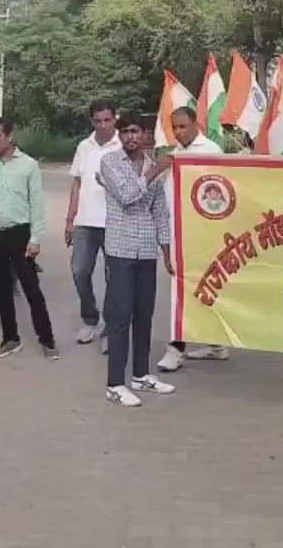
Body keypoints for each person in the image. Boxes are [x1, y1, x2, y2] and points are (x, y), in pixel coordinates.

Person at [98, 115, 176, 406]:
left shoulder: (149, 164)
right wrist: (157, 168)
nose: (130, 137)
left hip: (146, 251)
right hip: (120, 250)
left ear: (146, 134)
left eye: (136, 131)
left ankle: (141, 375)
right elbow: (129, 195)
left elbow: (160, 213)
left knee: (144, 315)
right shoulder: (110, 162)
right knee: (120, 317)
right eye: (125, 132)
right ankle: (115, 383)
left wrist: (167, 253)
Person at [0, 117, 58, 360]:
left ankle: (47, 339)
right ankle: (10, 338)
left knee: (31, 288)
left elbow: (36, 203)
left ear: (10, 136)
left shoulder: (28, 165)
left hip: (20, 233)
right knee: (1, 288)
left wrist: (36, 237)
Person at [156, 107, 231, 372]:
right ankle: (216, 344)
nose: (178, 132)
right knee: (195, 290)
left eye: (182, 126)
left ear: (195, 124)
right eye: (174, 127)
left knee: (185, 292)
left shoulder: (209, 151)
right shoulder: (174, 154)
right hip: (177, 233)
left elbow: (220, 194)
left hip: (201, 236)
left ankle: (175, 348)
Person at [66, 100, 121, 347]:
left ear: (115, 118)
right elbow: (76, 184)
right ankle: (90, 319)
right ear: (92, 121)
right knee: (79, 271)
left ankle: (111, 328)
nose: (103, 125)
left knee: (114, 278)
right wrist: (70, 219)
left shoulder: (123, 145)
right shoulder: (84, 146)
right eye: (98, 121)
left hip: (114, 222)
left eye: (107, 120)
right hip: (85, 222)